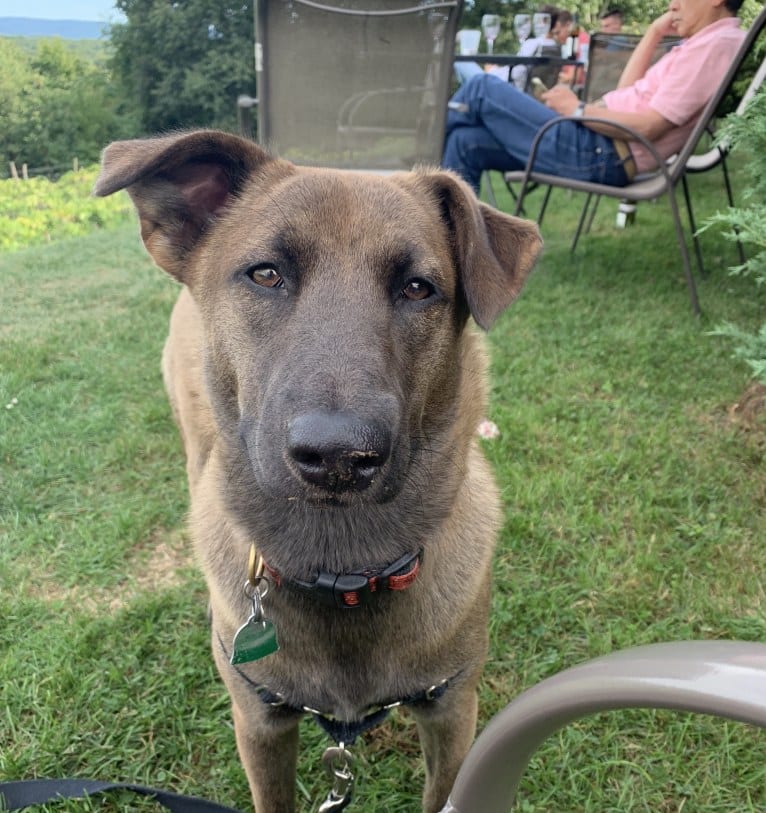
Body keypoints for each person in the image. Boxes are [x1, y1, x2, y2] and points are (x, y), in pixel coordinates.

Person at [442, 0, 746, 194]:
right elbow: (626, 92)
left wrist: (576, 109)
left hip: (601, 150)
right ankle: (455, 254)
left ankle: (409, 165)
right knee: (465, 143)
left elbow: (652, 127)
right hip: (596, 143)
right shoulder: (704, 42)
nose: (672, 5)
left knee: (482, 88)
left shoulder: (717, 44)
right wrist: (653, 32)